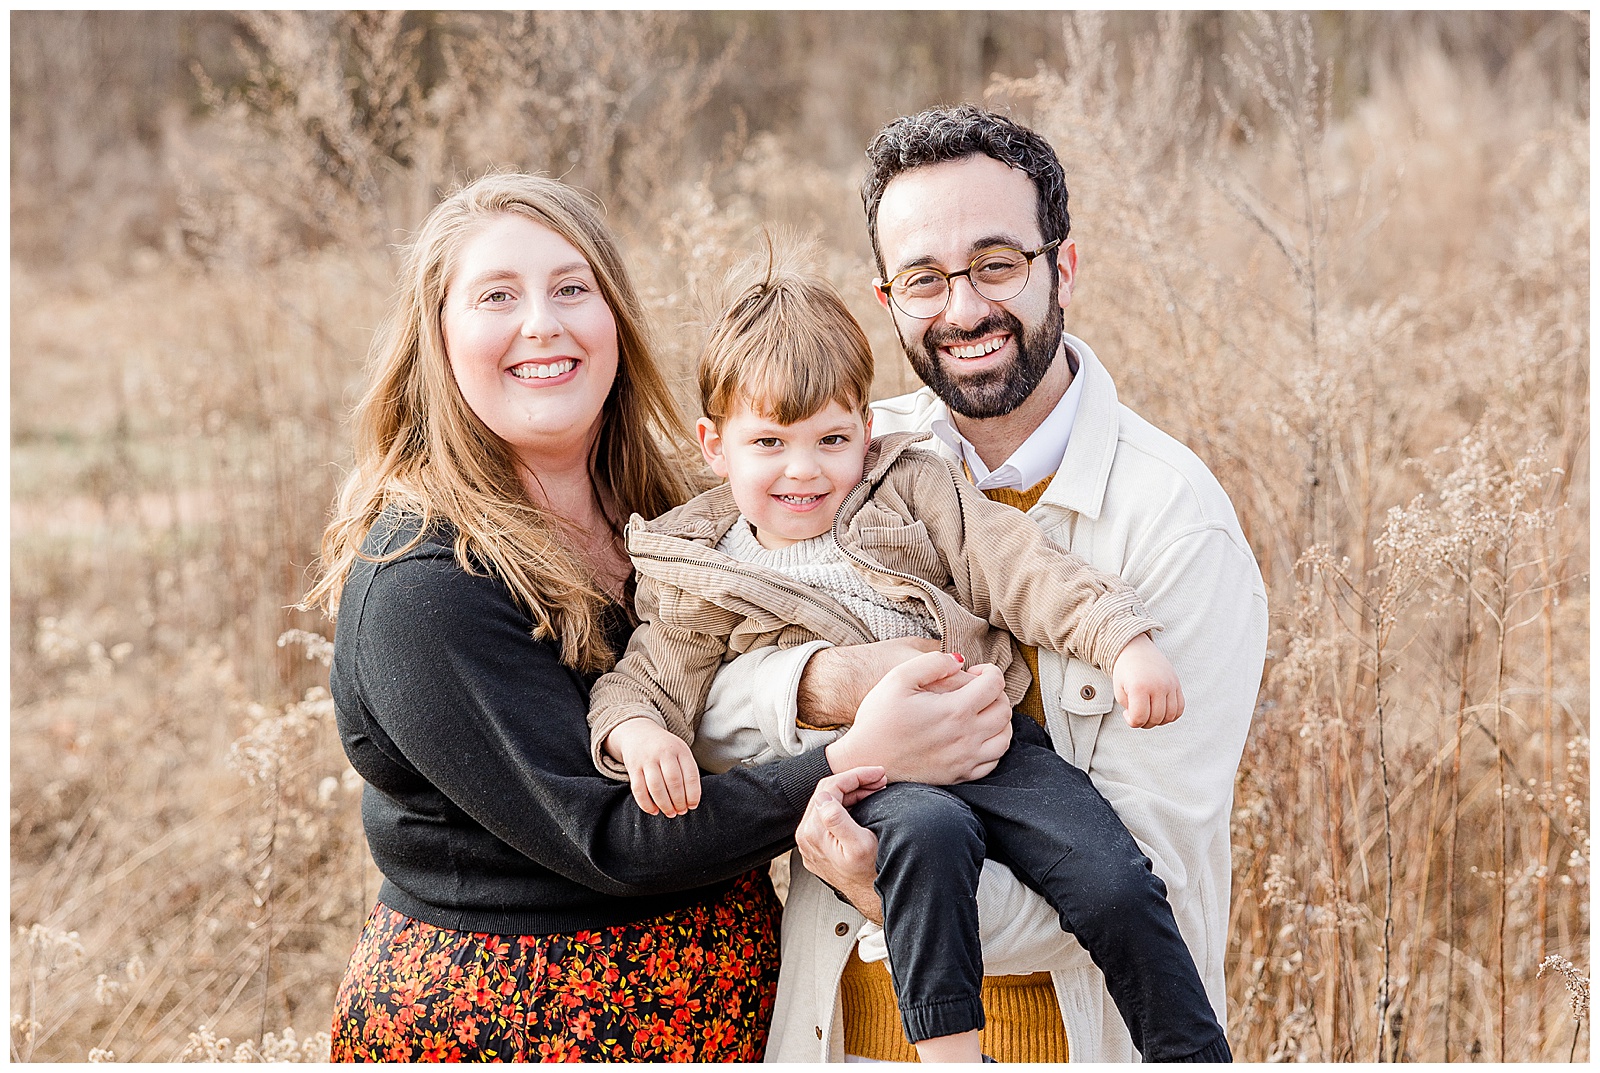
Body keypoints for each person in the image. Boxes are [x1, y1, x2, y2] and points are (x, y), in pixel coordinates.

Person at [304, 171, 1016, 1062]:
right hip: (522, 1026)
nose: (542, 323)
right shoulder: (424, 582)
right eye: (497, 296)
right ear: (437, 337)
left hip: (736, 1008)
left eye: (572, 287)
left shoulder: (682, 515)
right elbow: (609, 836)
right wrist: (862, 753)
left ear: (615, 319)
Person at [695, 106, 1270, 1062]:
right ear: (889, 300)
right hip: (838, 1038)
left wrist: (895, 883)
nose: (962, 310)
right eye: (925, 279)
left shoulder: (1176, 526)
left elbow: (1142, 878)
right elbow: (698, 698)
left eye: (997, 263)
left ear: (1063, 269)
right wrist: (824, 686)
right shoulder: (829, 457)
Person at [586, 264, 1227, 1063]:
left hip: (993, 745)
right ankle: (952, 1054)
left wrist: (1120, 638)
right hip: (873, 782)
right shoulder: (703, 571)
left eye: (831, 438)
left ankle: (1192, 1051)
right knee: (925, 840)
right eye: (768, 444)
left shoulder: (908, 486)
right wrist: (642, 734)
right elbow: (648, 679)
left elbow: (1016, 563)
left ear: (867, 425)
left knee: (1115, 878)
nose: (803, 470)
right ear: (715, 446)